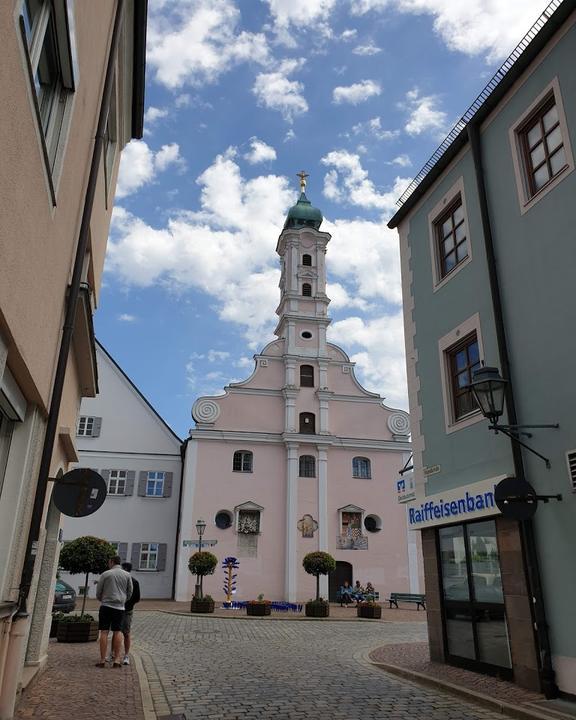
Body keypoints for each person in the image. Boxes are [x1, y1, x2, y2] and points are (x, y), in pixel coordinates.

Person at [95, 555, 132, 668]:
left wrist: (102, 599)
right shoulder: (127, 575)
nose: (108, 564)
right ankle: (116, 660)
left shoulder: (106, 574)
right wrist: (123, 600)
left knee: (104, 632)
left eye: (108, 562)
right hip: (119, 607)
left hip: (106, 605)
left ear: (111, 562)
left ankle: (102, 660)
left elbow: (98, 591)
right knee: (118, 632)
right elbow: (130, 591)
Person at [120, 562, 140, 665]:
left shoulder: (134, 582)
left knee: (126, 633)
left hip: (127, 610)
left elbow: (137, 598)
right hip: (119, 609)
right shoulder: (120, 580)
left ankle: (126, 655)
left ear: (125, 569)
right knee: (116, 632)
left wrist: (128, 603)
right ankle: (113, 654)